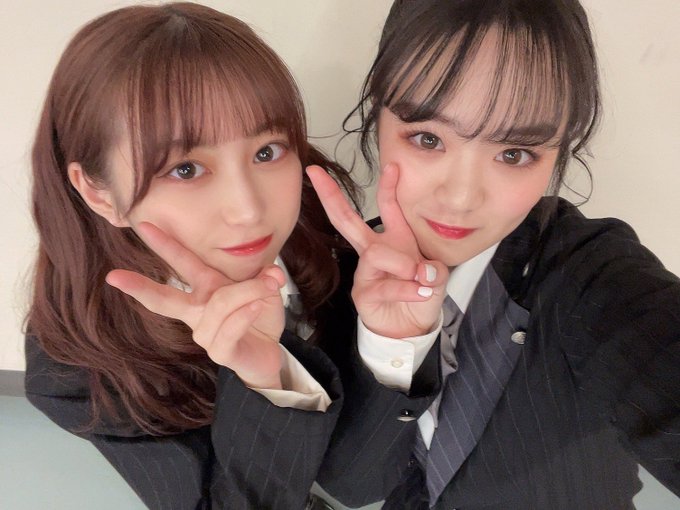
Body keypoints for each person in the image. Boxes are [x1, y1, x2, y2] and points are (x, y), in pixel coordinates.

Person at [307, 0, 680, 508]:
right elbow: (351, 487)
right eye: (427, 138)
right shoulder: (354, 267)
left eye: (513, 153)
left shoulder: (591, 274)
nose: (461, 198)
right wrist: (393, 346)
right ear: (378, 116)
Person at [23, 3, 363, 509]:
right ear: (99, 192)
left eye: (266, 151)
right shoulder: (76, 370)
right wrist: (269, 382)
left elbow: (364, 470)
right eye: (185, 169)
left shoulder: (319, 209)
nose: (249, 210)